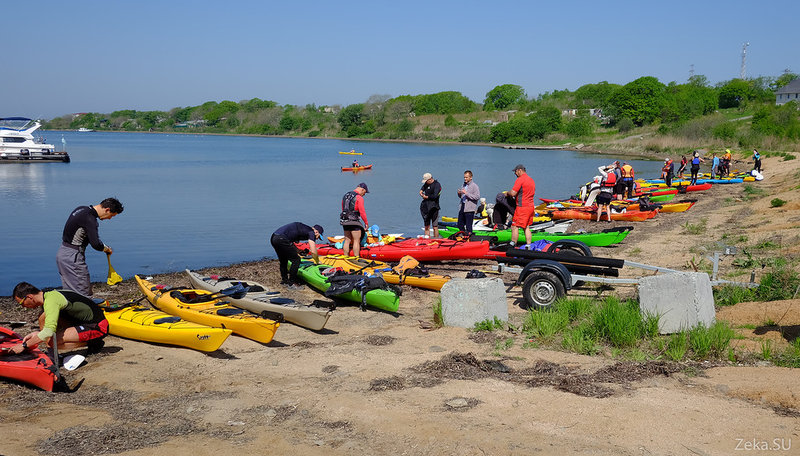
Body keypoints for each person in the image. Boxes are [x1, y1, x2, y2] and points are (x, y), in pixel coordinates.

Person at [7, 282, 108, 355]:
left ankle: (94, 342)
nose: (23, 307)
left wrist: (24, 346)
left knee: (51, 342)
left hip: (98, 326)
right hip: (79, 322)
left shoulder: (51, 301)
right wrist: (37, 334)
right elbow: (48, 327)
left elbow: (48, 333)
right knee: (43, 316)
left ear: (29, 297)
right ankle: (52, 354)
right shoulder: (46, 295)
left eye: (21, 303)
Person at [56, 197, 124, 297]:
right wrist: (106, 249)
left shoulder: (81, 209)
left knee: (70, 291)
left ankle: (71, 310)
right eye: (111, 216)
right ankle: (87, 311)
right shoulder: (90, 219)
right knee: (83, 289)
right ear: (107, 210)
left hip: (62, 253)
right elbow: (96, 244)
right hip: (73, 256)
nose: (109, 218)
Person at [270, 222, 323, 289]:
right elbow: (313, 251)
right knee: (296, 260)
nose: (317, 239)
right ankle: (292, 283)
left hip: (274, 238)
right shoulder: (311, 232)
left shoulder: (304, 229)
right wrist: (317, 261)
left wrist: (298, 251)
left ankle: (285, 281)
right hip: (281, 239)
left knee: (284, 260)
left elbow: (290, 241)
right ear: (316, 232)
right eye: (319, 237)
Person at [507, 164, 536, 246]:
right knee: (526, 226)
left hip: (522, 207)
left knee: (514, 226)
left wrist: (507, 194)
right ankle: (529, 245)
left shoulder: (520, 179)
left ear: (519, 170)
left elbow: (513, 193)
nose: (515, 174)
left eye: (515, 172)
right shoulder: (531, 180)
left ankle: (512, 245)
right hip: (531, 207)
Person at [340, 182, 369, 257]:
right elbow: (362, 212)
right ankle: (356, 257)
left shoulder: (345, 195)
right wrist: (366, 223)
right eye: (364, 193)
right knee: (356, 240)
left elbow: (343, 208)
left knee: (347, 240)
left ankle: (346, 257)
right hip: (354, 221)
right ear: (362, 190)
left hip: (344, 220)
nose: (364, 195)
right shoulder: (359, 197)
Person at [456, 170, 480, 234]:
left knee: (468, 226)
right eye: (464, 177)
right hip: (462, 206)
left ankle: (469, 237)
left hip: (470, 208)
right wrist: (459, 193)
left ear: (471, 177)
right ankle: (463, 235)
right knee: (459, 224)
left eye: (466, 177)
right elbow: (462, 196)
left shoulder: (474, 186)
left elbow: (477, 197)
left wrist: (466, 193)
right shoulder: (463, 185)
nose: (465, 179)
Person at [419, 172, 441, 238]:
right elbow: (423, 187)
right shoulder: (426, 184)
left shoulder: (437, 185)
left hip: (434, 207)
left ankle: (436, 240)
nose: (426, 182)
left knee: (435, 226)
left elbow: (435, 196)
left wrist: (427, 197)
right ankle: (426, 241)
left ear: (430, 179)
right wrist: (421, 191)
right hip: (426, 207)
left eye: (426, 181)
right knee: (426, 226)